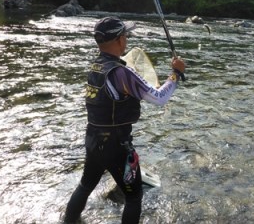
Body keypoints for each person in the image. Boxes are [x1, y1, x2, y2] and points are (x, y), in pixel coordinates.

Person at [63, 16, 186, 224]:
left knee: (85, 185)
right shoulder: (122, 72)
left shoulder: (95, 66)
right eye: (126, 36)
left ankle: (69, 221)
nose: (127, 39)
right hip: (117, 147)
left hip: (93, 140)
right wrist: (175, 73)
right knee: (134, 197)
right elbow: (159, 98)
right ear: (120, 40)